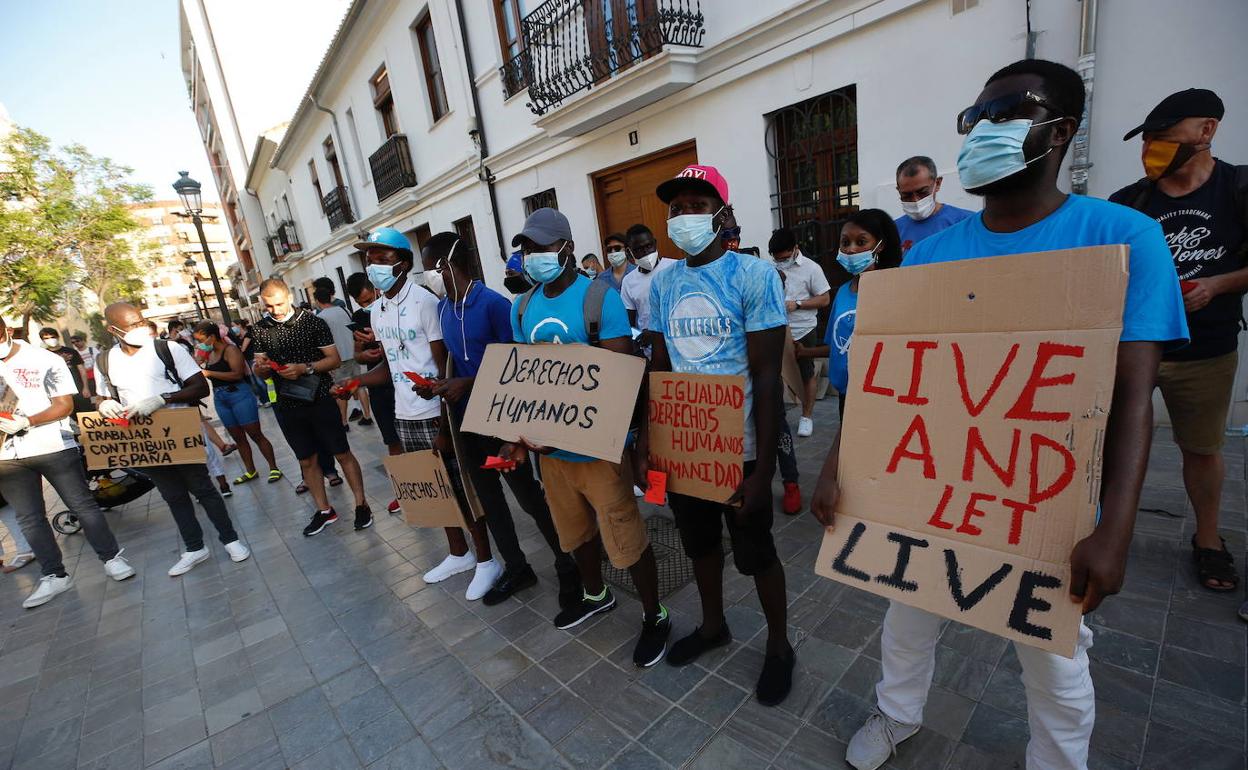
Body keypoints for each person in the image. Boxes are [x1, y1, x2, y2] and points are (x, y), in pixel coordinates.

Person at [810, 60, 1188, 770]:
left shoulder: (1125, 239)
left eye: (1006, 113)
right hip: (927, 490)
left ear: (1062, 130)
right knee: (905, 616)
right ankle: (898, 715)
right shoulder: (927, 258)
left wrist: (1115, 532)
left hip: (1044, 498)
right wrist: (835, 465)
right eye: (973, 119)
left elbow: (1137, 398)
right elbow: (881, 381)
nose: (982, 131)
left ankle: (1056, 759)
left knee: (1054, 660)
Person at [642, 164, 795, 704]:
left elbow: (766, 377)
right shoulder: (662, 282)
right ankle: (713, 626)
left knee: (756, 551)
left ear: (722, 214)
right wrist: (650, 445)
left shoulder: (753, 277)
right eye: (677, 206)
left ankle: (779, 646)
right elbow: (659, 366)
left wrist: (764, 473)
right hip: (686, 445)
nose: (684, 215)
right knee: (700, 545)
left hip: (741, 451)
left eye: (697, 205)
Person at [501, 207, 670, 667]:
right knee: (574, 533)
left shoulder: (599, 299)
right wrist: (517, 437)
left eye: (541, 248)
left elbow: (624, 377)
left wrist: (634, 445)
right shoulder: (523, 306)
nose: (533, 257)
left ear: (567, 248)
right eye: (527, 249)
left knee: (625, 535)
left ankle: (655, 612)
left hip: (598, 449)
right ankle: (596, 594)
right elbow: (523, 379)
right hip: (551, 453)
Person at [1109, 88, 1247, 593]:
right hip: (1136, 350)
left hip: (1207, 350)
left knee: (1202, 450)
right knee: (1112, 442)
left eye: (1164, 139)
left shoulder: (1238, 188)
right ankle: (1106, 530)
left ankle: (1209, 541)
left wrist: (1216, 285)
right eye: (1147, 141)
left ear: (1206, 131)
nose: (1152, 150)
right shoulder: (1128, 203)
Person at [420, 232, 582, 606]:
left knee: (529, 498)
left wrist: (468, 382)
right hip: (467, 420)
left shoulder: (493, 304)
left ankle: (566, 562)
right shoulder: (445, 309)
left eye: (430, 268)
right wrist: (440, 386)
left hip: (503, 419)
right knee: (489, 500)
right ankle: (517, 567)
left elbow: (517, 365)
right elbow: (453, 362)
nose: (428, 276)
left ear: (446, 265)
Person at [348, 228, 500, 598]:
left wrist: (446, 418)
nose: (373, 267)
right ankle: (457, 553)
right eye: (370, 260)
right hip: (405, 411)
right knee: (434, 491)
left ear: (402, 262)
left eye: (381, 259)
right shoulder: (378, 310)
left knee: (460, 487)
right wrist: (357, 383)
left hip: (435, 409)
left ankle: (486, 560)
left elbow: (442, 362)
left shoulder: (426, 302)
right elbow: (391, 366)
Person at [97, 303, 251, 576]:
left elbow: (200, 387)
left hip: (179, 431)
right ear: (112, 329)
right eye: (131, 326)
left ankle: (230, 539)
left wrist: (162, 398)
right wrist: (104, 404)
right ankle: (194, 547)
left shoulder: (168, 349)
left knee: (202, 488)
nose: (139, 328)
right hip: (145, 438)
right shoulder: (106, 360)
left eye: (140, 321)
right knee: (172, 495)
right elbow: (103, 394)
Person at [0, 316, 136, 608]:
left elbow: (65, 405)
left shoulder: (43, 358)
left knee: (82, 505)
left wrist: (27, 420)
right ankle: (54, 575)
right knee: (29, 518)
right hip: (7, 457)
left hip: (52, 446)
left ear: (7, 331)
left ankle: (111, 558)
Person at [251, 279, 373, 535]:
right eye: (269, 306)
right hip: (286, 403)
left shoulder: (313, 322)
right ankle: (324, 510)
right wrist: (260, 370)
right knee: (306, 459)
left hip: (319, 397)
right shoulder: (261, 329)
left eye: (279, 303)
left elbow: (334, 359)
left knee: (341, 453)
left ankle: (361, 505)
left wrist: (304, 368)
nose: (276, 310)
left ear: (289, 296)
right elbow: (260, 368)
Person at [795, 210, 904, 421]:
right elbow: (838, 345)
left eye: (861, 241)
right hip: (846, 395)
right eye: (845, 242)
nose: (851, 249)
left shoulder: (894, 287)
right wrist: (805, 352)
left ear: (879, 245)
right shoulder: (844, 291)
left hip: (882, 395)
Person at [192, 321, 283, 487]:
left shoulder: (230, 350)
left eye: (201, 340)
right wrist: (198, 359)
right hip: (221, 398)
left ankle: (273, 467)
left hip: (238, 394)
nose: (200, 344)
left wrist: (209, 372)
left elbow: (237, 374)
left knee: (255, 434)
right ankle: (250, 470)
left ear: (212, 337)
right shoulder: (209, 353)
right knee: (238, 437)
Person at [346, 271, 402, 515]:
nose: (367, 306)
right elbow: (357, 352)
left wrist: (379, 341)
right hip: (378, 384)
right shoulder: (358, 318)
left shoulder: (392, 308)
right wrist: (364, 354)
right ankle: (403, 491)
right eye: (361, 303)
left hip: (401, 380)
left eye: (369, 299)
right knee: (392, 440)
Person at [768, 228, 831, 439]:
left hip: (804, 329)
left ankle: (807, 416)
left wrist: (798, 304)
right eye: (777, 259)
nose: (781, 262)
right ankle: (776, 416)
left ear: (795, 249)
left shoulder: (812, 269)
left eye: (785, 258)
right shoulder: (770, 269)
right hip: (777, 329)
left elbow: (824, 299)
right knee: (774, 374)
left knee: (807, 373)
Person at [314, 285, 373, 430]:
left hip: (337, 359)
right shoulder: (343, 310)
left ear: (317, 300)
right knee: (358, 385)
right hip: (353, 353)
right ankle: (367, 416)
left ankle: (343, 422)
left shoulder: (320, 318)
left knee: (341, 390)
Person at [893, 155, 975, 254]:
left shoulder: (967, 223)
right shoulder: (893, 230)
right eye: (907, 195)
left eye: (922, 192)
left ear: (938, 183)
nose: (915, 200)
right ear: (899, 191)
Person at [620, 223, 675, 351]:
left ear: (655, 243)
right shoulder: (629, 282)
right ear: (629, 252)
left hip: (679, 346)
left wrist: (655, 332)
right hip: (651, 351)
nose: (645, 252)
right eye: (639, 250)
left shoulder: (674, 268)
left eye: (649, 246)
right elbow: (629, 323)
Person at [37, 328, 91, 406]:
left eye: (52, 337)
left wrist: (86, 387)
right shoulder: (43, 355)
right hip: (60, 393)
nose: (50, 340)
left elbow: (82, 371)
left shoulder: (71, 351)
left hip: (78, 388)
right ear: (42, 340)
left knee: (86, 413)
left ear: (58, 337)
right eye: (46, 338)